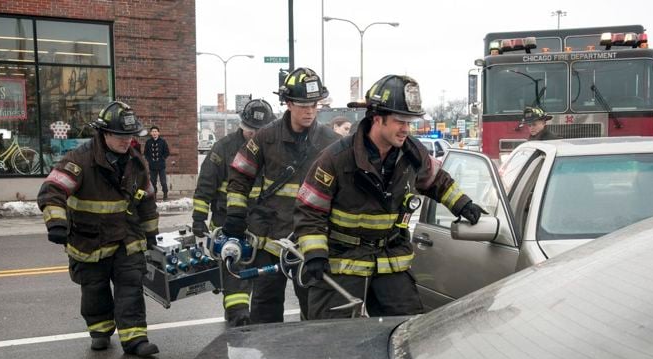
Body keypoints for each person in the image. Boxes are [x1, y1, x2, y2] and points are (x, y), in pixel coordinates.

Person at [293, 74, 487, 320]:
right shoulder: (336, 158)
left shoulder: (412, 153)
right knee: (332, 339)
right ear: (377, 119)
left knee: (406, 332)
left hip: (390, 259)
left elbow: (437, 180)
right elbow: (309, 210)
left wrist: (463, 205)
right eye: (399, 121)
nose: (407, 129)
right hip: (342, 262)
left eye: (410, 122)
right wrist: (315, 253)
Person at [37, 101, 160, 357]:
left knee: (131, 286)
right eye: (120, 136)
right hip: (90, 240)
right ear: (104, 133)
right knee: (94, 289)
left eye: (130, 136)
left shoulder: (137, 163)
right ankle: (100, 331)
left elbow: (147, 201)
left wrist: (150, 234)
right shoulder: (79, 160)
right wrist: (57, 223)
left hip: (127, 238)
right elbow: (52, 191)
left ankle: (135, 339)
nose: (127, 141)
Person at [223, 67, 340, 323]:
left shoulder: (332, 142)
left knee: (316, 311)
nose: (309, 111)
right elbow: (240, 173)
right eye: (302, 105)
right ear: (287, 103)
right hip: (270, 239)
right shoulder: (266, 137)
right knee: (265, 310)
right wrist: (235, 212)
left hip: (310, 242)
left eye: (313, 104)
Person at [191, 99, 275, 327]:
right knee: (234, 270)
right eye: (251, 129)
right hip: (228, 221)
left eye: (260, 130)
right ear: (242, 124)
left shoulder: (273, 149)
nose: (255, 134)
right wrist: (198, 218)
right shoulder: (224, 148)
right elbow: (206, 184)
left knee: (262, 273)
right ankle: (238, 313)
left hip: (262, 222)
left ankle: (256, 314)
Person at [143, 125, 170, 200]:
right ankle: (154, 196)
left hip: (161, 166)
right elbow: (146, 153)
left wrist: (162, 158)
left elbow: (167, 152)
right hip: (152, 166)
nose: (154, 133)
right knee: (153, 182)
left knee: (163, 182)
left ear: (158, 133)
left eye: (155, 131)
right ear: (151, 133)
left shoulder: (163, 141)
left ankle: (165, 194)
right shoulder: (148, 142)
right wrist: (149, 160)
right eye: (153, 132)